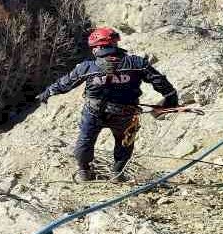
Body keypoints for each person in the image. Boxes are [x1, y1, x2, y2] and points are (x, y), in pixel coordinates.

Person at [35, 27, 178, 182]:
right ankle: (117, 174)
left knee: (85, 140)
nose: (93, 51)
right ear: (114, 44)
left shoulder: (87, 67)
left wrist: (47, 93)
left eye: (93, 48)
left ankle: (84, 172)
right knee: (125, 143)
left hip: (93, 112)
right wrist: (171, 98)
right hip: (125, 113)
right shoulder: (136, 63)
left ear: (99, 47)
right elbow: (159, 81)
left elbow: (65, 83)